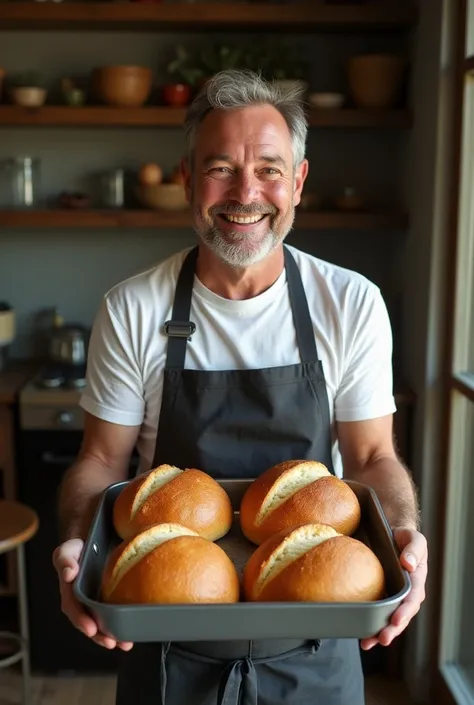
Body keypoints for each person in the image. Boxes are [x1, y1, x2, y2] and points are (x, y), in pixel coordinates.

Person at [52, 68, 428, 705]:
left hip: (319, 643)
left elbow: (372, 459)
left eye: (270, 169)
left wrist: (402, 539)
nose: (245, 192)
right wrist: (77, 542)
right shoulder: (133, 308)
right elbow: (99, 461)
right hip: (167, 639)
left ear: (299, 184)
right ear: (187, 179)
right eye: (221, 167)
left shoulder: (351, 303)